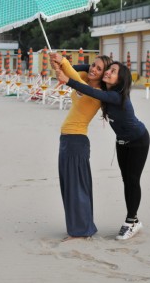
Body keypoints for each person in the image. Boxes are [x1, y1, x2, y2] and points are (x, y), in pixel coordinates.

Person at [54, 61, 150, 240]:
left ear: (120, 79)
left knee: (132, 180)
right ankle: (133, 218)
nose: (106, 73)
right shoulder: (106, 93)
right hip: (122, 141)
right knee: (125, 179)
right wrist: (89, 66)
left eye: (112, 72)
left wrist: (68, 80)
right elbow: (84, 72)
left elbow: (90, 91)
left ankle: (132, 221)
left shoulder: (116, 96)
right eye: (107, 70)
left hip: (138, 140)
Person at [49, 53, 112, 240]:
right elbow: (76, 73)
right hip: (67, 140)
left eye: (99, 69)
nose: (93, 69)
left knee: (77, 188)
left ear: (104, 75)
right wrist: (58, 66)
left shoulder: (97, 93)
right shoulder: (86, 79)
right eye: (93, 65)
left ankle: (81, 231)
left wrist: (64, 61)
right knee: (69, 186)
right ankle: (79, 227)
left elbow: (74, 79)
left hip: (77, 140)